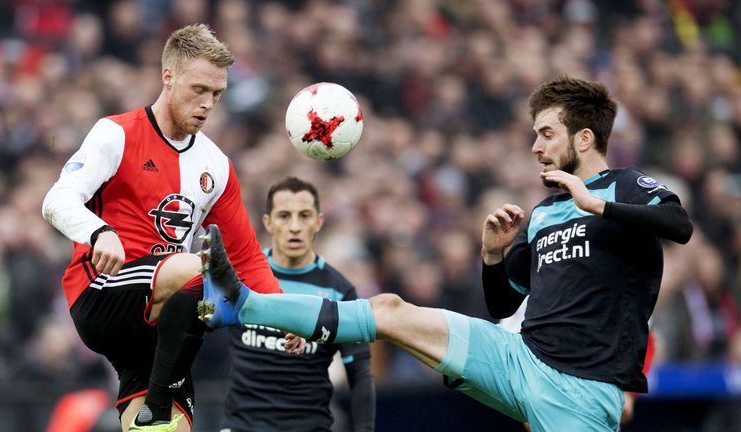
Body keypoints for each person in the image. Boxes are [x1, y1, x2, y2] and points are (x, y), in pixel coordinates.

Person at [197, 76, 694, 432]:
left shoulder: (626, 188)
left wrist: (598, 205)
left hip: (581, 389)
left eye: (546, 133)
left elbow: (680, 225)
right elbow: (503, 305)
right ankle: (241, 303)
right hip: (518, 357)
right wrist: (492, 256)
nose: (535, 146)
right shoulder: (543, 214)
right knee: (389, 309)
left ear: (584, 138)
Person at [42, 24, 299, 432]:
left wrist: (285, 313)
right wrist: (98, 231)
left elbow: (247, 255)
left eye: (217, 94)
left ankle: (155, 409)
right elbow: (56, 199)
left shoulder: (216, 166)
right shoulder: (117, 134)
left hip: (161, 328)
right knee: (200, 268)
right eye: (199, 89)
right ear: (168, 76)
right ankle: (159, 401)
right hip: (103, 292)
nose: (208, 104)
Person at [219, 176, 375, 432]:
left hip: (308, 426)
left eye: (304, 215)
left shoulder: (340, 290)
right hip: (241, 426)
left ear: (318, 221)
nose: (294, 226)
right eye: (284, 215)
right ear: (267, 222)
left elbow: (359, 373)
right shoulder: (239, 278)